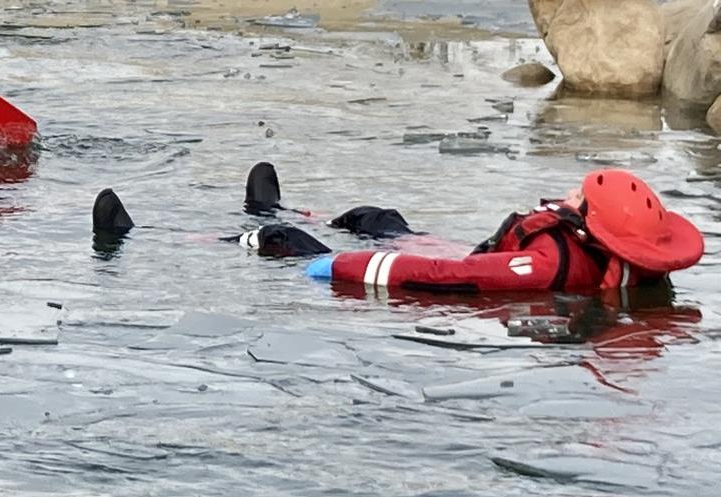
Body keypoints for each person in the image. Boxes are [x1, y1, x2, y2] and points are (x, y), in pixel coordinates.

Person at [229, 164, 703, 296]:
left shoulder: (548, 263)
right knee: (377, 217)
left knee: (286, 242)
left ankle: (254, 229)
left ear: (592, 221)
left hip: (468, 263)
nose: (566, 197)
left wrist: (343, 265)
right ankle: (295, 210)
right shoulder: (635, 268)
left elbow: (454, 276)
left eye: (577, 196)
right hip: (475, 250)